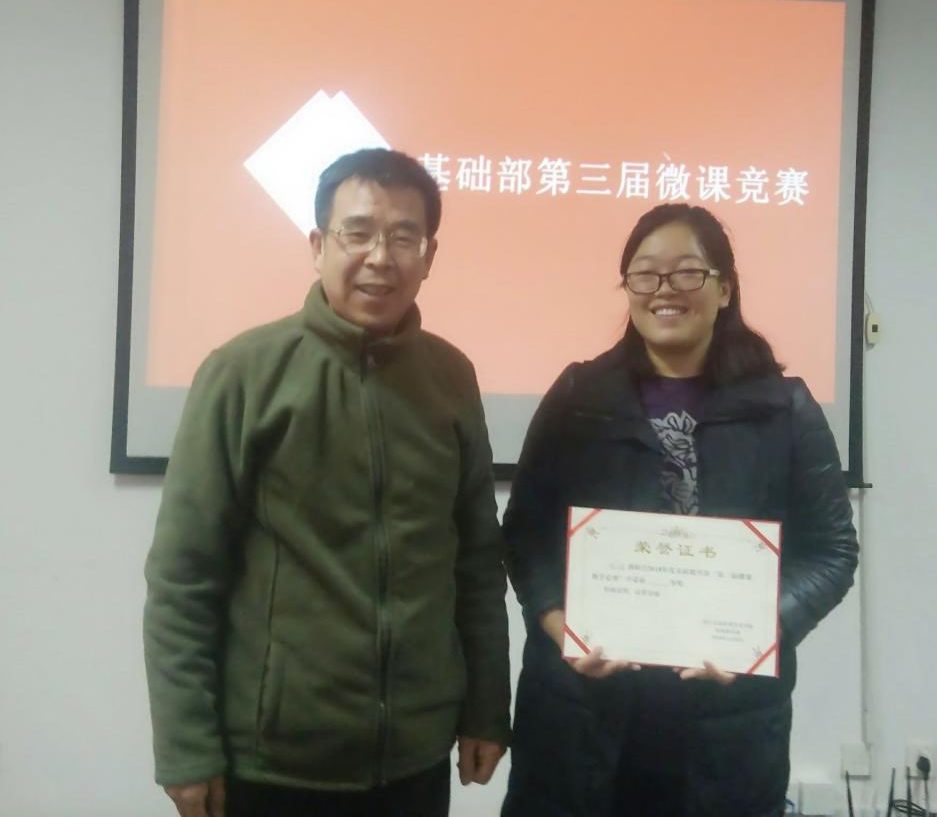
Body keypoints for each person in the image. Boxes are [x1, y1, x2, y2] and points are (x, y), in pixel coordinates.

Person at [143, 148, 510, 817]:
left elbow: (478, 562)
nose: (381, 257)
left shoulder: (451, 378)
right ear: (318, 246)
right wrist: (186, 748)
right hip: (275, 759)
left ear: (430, 256)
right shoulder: (243, 374)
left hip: (415, 757)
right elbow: (183, 576)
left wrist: (487, 706)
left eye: (404, 237)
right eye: (358, 232)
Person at [502, 203, 858, 817]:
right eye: (645, 273)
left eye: (688, 271)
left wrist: (758, 632)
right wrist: (557, 620)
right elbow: (527, 532)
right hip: (580, 716)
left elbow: (832, 552)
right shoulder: (578, 397)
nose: (664, 289)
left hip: (728, 724)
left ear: (725, 289)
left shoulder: (785, 408)